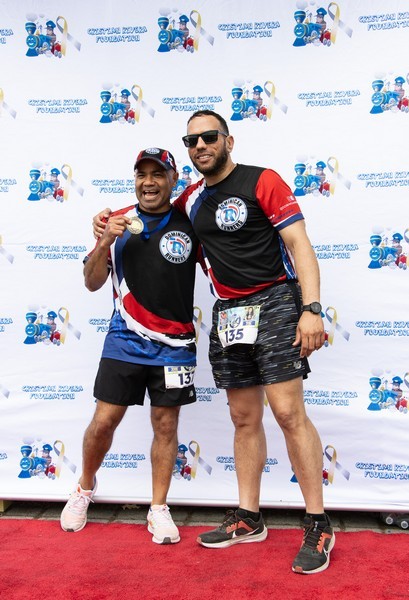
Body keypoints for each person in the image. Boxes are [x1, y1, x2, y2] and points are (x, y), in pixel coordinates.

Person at [93, 111, 334, 574]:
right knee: (243, 418)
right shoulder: (191, 199)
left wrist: (312, 308)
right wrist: (104, 220)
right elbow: (147, 209)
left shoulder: (262, 180)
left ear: (228, 140)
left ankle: (318, 523)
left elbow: (300, 245)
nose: (200, 145)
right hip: (229, 313)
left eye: (208, 137)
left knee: (288, 413)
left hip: (276, 301)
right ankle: (249, 517)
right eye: (192, 141)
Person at [60, 147, 200, 545]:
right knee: (104, 421)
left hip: (175, 345)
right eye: (142, 174)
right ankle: (85, 487)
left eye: (158, 174)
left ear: (174, 180)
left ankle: (158, 508)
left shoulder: (190, 221)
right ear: (135, 179)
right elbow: (91, 282)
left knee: (166, 425)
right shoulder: (116, 221)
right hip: (124, 340)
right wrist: (104, 240)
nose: (149, 182)